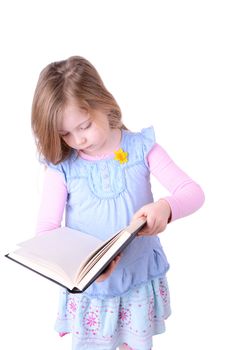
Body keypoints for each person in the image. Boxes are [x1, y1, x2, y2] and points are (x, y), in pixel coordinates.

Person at [31, 56, 205, 350]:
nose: (77, 140)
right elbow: (47, 231)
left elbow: (193, 192)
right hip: (92, 291)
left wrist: (165, 207)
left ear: (104, 103)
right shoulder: (63, 166)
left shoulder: (140, 149)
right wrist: (82, 269)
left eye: (84, 126)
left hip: (136, 284)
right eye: (65, 134)